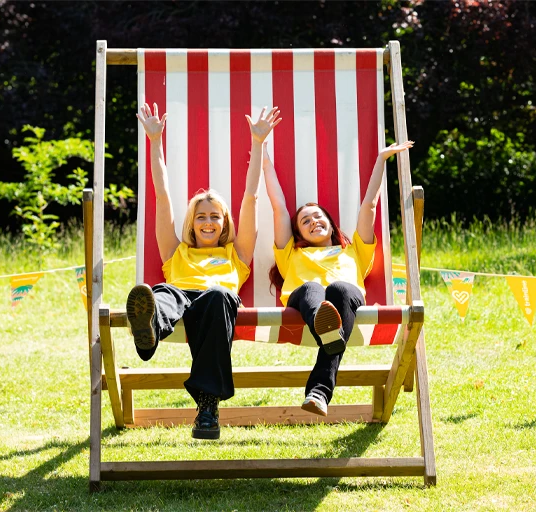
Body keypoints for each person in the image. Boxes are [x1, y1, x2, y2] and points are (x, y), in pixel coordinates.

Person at [127, 102, 281, 439]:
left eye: (215, 216)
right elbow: (162, 197)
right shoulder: (175, 251)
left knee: (217, 294)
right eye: (201, 216)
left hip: (217, 303)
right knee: (160, 294)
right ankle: (148, 328)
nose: (208, 222)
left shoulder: (236, 253)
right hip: (179, 297)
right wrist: (155, 144)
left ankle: (207, 406)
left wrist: (258, 144)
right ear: (191, 224)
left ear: (225, 222)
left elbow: (250, 197)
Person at [263, 138, 414, 416]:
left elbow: (369, 206)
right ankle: (321, 375)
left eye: (317, 217)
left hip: (346, 302)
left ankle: (328, 342)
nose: (313, 222)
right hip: (305, 305)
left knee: (340, 288)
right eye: (305, 221)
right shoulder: (291, 254)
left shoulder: (355, 250)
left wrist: (381, 160)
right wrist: (262, 150)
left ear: (331, 223)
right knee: (311, 287)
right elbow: (278, 207)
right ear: (298, 234)